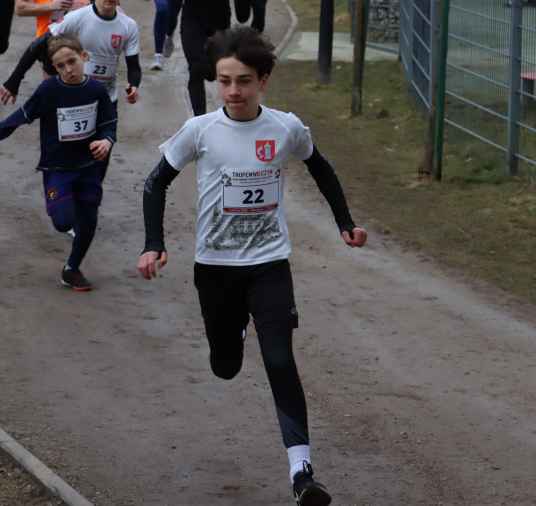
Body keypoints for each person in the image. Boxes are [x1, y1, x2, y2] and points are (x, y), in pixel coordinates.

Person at [137, 25, 367, 506]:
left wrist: (344, 221)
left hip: (268, 265)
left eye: (243, 80)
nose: (233, 91)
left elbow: (319, 166)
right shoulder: (200, 131)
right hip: (215, 269)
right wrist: (154, 243)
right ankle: (235, 331)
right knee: (225, 368)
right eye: (223, 81)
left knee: (280, 359)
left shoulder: (284, 127)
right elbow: (154, 184)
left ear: (262, 79)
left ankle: (302, 474)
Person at [0, 34, 117, 292]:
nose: (68, 69)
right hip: (58, 168)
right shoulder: (49, 90)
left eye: (72, 61)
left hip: (88, 167)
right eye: (60, 66)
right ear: (54, 68)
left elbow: (109, 122)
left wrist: (107, 141)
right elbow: (22, 115)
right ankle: (67, 203)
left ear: (84, 57)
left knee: (89, 222)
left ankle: (71, 269)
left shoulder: (96, 90)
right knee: (63, 223)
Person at [0, 0, 140, 181]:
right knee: (73, 146)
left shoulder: (128, 25)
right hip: (73, 96)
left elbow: (134, 65)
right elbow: (37, 46)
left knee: (104, 147)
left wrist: (134, 84)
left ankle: (92, 192)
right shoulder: (77, 18)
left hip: (105, 97)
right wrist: (14, 80)